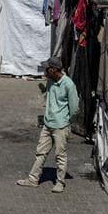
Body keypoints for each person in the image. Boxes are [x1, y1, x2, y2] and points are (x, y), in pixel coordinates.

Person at [17, 57, 80, 193]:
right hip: (48, 124)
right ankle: (33, 179)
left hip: (61, 126)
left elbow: (75, 108)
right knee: (40, 153)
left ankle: (60, 183)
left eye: (47, 68)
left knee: (60, 155)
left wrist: (68, 122)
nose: (45, 71)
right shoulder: (50, 81)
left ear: (53, 70)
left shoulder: (69, 84)